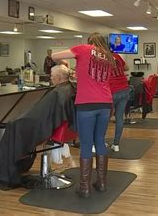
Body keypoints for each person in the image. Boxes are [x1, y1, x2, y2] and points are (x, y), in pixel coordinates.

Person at [52, 32, 114, 198]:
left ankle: (85, 187)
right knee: (100, 141)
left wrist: (65, 61)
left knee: (86, 144)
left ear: (89, 41)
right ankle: (101, 183)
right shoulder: (109, 56)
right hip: (105, 104)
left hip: (87, 104)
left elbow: (54, 55)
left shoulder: (83, 49)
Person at [0, 64, 76, 188]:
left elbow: (43, 115)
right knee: (16, 126)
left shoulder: (58, 92)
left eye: (52, 76)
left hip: (49, 128)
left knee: (13, 128)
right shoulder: (68, 89)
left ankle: (5, 173)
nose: (50, 79)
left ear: (59, 78)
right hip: (61, 128)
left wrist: (18, 122)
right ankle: (18, 166)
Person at [109, 53, 130, 152]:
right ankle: (116, 144)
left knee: (105, 118)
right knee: (119, 118)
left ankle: (100, 142)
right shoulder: (116, 55)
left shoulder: (100, 57)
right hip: (124, 89)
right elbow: (126, 68)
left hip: (112, 90)